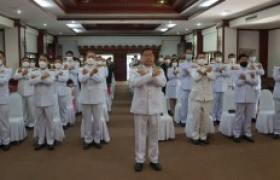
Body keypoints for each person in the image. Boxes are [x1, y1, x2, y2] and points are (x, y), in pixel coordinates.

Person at [130, 48, 166, 172]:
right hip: (140, 107)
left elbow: (161, 83)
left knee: (154, 135)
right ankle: (139, 159)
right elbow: (136, 83)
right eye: (145, 55)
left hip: (155, 107)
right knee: (140, 135)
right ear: (141, 58)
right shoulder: (135, 69)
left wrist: (151, 75)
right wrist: (150, 75)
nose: (148, 57)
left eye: (151, 55)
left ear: (154, 58)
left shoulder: (159, 70)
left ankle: (154, 159)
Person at [79, 51, 104, 150]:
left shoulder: (100, 68)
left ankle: (97, 139)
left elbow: (100, 80)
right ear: (85, 58)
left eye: (92, 57)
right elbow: (81, 79)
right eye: (89, 56)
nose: (90, 58)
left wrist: (90, 74)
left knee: (97, 120)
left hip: (97, 98)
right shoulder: (81, 68)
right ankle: (88, 139)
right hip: (85, 98)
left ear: (95, 58)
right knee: (87, 120)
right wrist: (91, 74)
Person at [30, 54, 56, 151]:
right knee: (39, 121)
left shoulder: (52, 71)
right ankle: (40, 140)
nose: (42, 61)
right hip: (37, 100)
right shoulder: (33, 71)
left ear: (48, 61)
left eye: (44, 60)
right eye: (40, 60)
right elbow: (30, 82)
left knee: (49, 121)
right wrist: (42, 77)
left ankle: (50, 141)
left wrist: (37, 78)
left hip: (48, 100)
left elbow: (50, 82)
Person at [233, 54, 258, 143]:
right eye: (242, 59)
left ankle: (248, 134)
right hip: (240, 97)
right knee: (238, 117)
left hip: (250, 97)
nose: (244, 61)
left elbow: (255, 82)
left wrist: (245, 78)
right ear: (239, 61)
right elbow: (237, 83)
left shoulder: (252, 70)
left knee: (248, 118)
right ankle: (236, 134)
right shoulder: (236, 71)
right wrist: (249, 78)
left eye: (245, 59)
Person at [190, 53, 215, 145]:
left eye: (203, 58)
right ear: (196, 59)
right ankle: (195, 136)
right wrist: (205, 72)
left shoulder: (208, 67)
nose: (202, 59)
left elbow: (213, 77)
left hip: (207, 96)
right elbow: (196, 78)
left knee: (205, 118)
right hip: (197, 97)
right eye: (200, 58)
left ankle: (203, 136)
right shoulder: (193, 68)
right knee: (196, 118)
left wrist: (204, 72)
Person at [13, 57, 36, 129]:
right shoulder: (19, 69)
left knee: (31, 108)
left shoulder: (33, 69)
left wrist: (26, 74)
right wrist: (22, 73)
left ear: (29, 62)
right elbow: (15, 77)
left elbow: (33, 78)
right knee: (23, 108)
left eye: (27, 61)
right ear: (22, 61)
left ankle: (32, 123)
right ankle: (25, 122)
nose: (25, 62)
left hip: (30, 92)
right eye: (24, 61)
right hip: (21, 92)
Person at [211, 51, 230, 125]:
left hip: (223, 87)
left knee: (221, 103)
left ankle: (219, 117)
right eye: (217, 56)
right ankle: (213, 118)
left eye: (220, 55)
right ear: (215, 57)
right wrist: (220, 72)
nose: (218, 57)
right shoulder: (212, 65)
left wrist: (220, 71)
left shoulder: (225, 65)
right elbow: (212, 75)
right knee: (214, 103)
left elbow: (228, 74)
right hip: (215, 86)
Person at [179, 48, 196, 126]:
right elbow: (181, 74)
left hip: (193, 86)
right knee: (184, 103)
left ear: (192, 55)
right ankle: (183, 120)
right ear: (185, 54)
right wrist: (189, 72)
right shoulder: (181, 64)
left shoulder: (195, 64)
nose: (189, 55)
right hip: (185, 86)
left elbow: (196, 74)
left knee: (194, 103)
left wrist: (188, 71)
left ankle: (192, 118)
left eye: (190, 53)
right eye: (187, 53)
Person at [0, 51, 12, 151]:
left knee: (4, 121)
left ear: (3, 58)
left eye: (0, 57)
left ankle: (6, 141)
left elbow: (3, 81)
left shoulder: (7, 69)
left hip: (3, 99)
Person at [53, 59, 70, 129]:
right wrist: (57, 75)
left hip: (62, 91)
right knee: (55, 108)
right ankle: (57, 122)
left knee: (63, 108)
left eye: (59, 62)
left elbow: (66, 78)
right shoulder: (51, 70)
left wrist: (56, 77)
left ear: (61, 63)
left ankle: (64, 122)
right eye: (55, 62)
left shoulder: (65, 70)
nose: (57, 63)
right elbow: (50, 78)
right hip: (53, 91)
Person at [248, 56, 265, 122]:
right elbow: (249, 73)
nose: (252, 58)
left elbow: (262, 73)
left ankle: (254, 116)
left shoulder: (258, 64)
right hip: (250, 86)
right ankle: (249, 115)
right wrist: (256, 70)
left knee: (256, 102)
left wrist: (258, 68)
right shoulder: (247, 65)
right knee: (250, 102)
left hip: (258, 86)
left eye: (254, 56)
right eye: (251, 56)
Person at [273, 66, 280, 139]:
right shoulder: (276, 68)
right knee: (277, 114)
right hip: (278, 95)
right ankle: (277, 131)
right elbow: (276, 78)